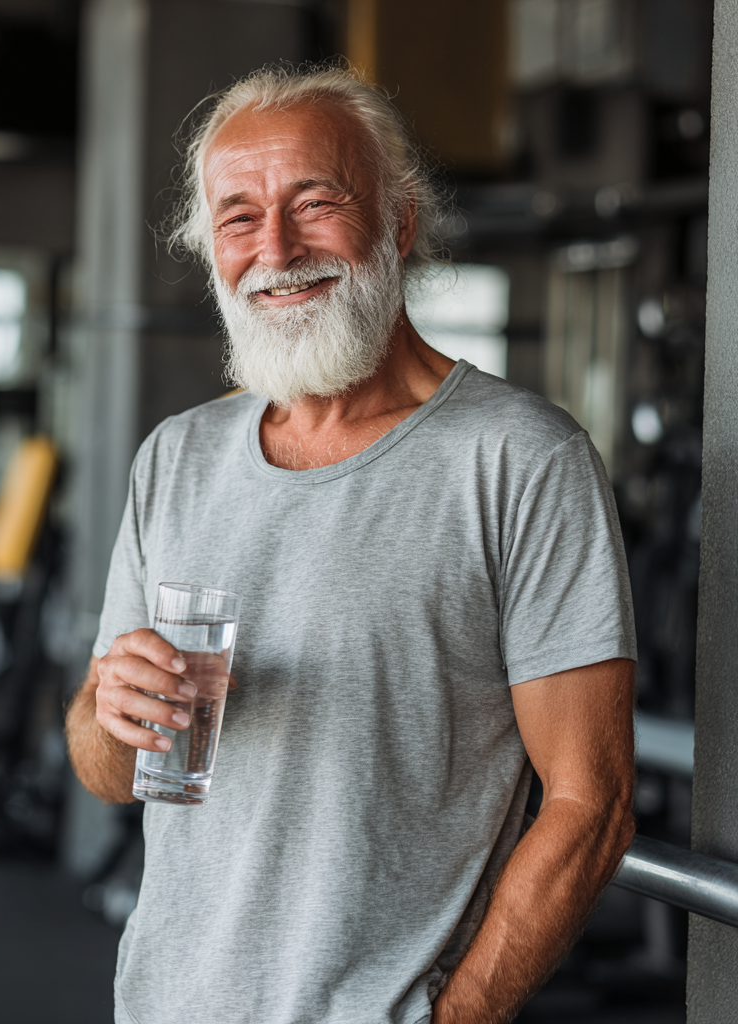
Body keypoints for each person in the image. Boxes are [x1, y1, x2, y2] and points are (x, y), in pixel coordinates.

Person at [66, 64, 636, 1024]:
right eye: (238, 219)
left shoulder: (521, 460)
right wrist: (108, 709)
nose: (275, 249)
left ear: (400, 223)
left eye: (314, 203)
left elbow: (593, 802)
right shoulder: (178, 456)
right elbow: (105, 772)